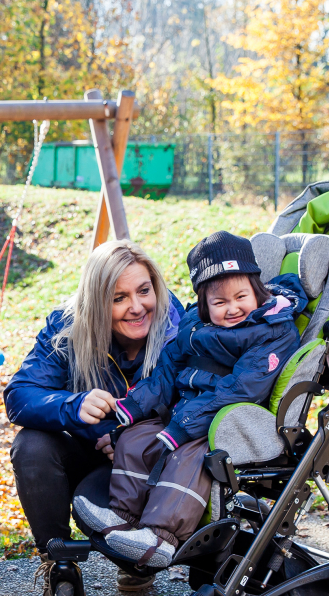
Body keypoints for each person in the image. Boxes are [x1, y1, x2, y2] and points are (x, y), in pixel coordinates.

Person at [74, 232, 306, 566]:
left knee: (187, 457)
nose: (232, 309)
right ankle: (124, 515)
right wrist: (135, 405)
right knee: (135, 437)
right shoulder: (195, 324)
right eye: (219, 302)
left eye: (241, 296)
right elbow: (169, 367)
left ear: (258, 292)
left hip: (228, 419)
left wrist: (182, 427)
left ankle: (161, 538)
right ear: (203, 304)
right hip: (187, 409)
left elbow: (242, 389)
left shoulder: (272, 330)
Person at [4, 240, 184, 596]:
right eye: (119, 297)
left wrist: (128, 438)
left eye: (144, 290)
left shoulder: (179, 330)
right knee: (31, 445)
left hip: (155, 466)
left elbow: (199, 405)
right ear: (96, 302)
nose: (136, 307)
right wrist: (74, 407)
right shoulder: (67, 328)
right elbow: (19, 394)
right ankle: (59, 566)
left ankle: (141, 550)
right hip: (89, 455)